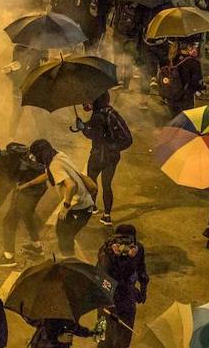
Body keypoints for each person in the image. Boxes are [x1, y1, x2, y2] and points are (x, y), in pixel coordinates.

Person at [0, 141, 46, 268]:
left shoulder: (2, 164)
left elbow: (5, 189)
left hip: (30, 188)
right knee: (27, 214)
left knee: (9, 221)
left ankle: (9, 258)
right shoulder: (4, 156)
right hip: (38, 186)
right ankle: (37, 247)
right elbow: (7, 185)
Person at [27, 139, 95, 257]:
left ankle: (70, 263)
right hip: (84, 205)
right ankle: (71, 259)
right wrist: (28, 184)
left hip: (79, 208)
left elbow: (71, 185)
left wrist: (65, 207)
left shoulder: (54, 165)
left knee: (64, 238)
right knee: (65, 235)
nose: (34, 159)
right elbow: (49, 175)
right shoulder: (58, 155)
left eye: (34, 155)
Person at [75, 94, 132, 226]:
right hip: (112, 157)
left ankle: (92, 207)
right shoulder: (111, 113)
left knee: (91, 181)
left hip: (98, 155)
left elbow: (94, 134)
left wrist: (83, 128)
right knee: (107, 185)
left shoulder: (97, 117)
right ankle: (107, 216)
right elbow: (128, 139)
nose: (86, 104)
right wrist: (113, 148)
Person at [96, 225, 148, 348]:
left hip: (127, 295)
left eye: (128, 241)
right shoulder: (105, 251)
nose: (124, 245)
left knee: (125, 334)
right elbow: (104, 277)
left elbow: (141, 270)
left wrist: (143, 289)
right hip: (107, 296)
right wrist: (114, 256)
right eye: (121, 240)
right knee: (103, 334)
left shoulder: (138, 249)